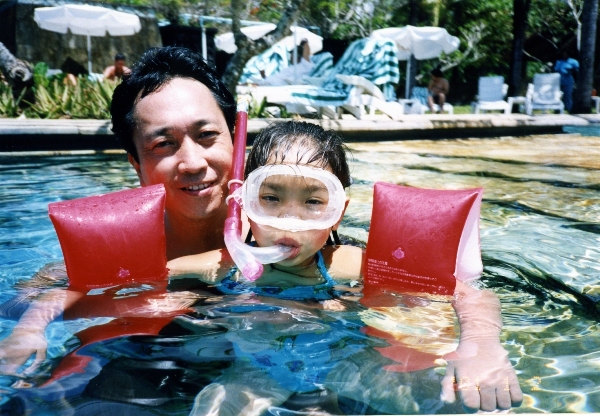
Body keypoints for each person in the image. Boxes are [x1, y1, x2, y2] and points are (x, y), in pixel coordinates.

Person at [168, 120, 523, 414]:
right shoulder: (226, 264)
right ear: (245, 201)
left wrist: (479, 346)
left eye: (313, 202)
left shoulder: (345, 264)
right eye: (271, 198)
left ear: (338, 213)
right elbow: (159, 274)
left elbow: (468, 294)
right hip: (255, 374)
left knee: (453, 401)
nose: (290, 220)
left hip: (347, 366)